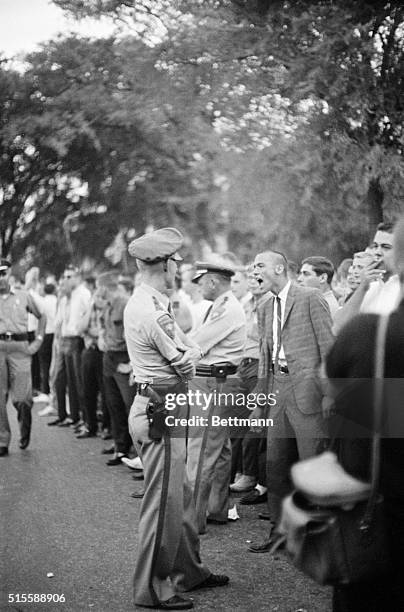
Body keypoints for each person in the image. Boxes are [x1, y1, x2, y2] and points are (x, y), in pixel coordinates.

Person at [124, 227, 229, 610]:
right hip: (161, 406)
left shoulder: (151, 302)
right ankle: (152, 589)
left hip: (165, 404)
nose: (178, 270)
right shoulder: (151, 310)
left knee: (180, 495)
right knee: (163, 505)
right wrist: (194, 351)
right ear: (166, 265)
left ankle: (188, 571)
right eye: (175, 264)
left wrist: (190, 348)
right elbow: (184, 360)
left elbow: (185, 348)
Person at [326, 216, 404, 611]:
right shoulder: (376, 288)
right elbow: (338, 328)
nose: (375, 253)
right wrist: (360, 286)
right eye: (373, 246)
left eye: (385, 247)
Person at [248, 249, 334, 552]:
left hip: (309, 392)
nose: (253, 269)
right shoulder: (264, 307)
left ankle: (319, 538)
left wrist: (329, 394)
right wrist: (260, 402)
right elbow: (264, 360)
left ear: (280, 268)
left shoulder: (309, 297)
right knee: (275, 464)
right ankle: (280, 532)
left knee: (311, 464)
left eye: (259, 265)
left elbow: (328, 347)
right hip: (278, 390)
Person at [187, 262, 246, 534]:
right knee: (219, 449)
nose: (197, 287)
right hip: (216, 380)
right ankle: (216, 508)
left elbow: (198, 342)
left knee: (203, 451)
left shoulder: (226, 307)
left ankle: (193, 520)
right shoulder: (221, 305)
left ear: (212, 282)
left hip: (214, 382)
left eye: (200, 282)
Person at [0, 258, 46, 455]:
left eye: (3, 273)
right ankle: (2, 440)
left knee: (22, 399)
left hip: (20, 347)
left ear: (9, 274)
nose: (0, 278)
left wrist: (39, 340)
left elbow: (42, 316)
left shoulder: (23, 295)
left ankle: (24, 428)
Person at [96, 271, 135, 464]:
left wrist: (130, 363)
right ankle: (120, 447)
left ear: (104, 288)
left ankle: (135, 450)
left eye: (98, 288)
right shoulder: (109, 304)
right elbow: (103, 325)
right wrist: (102, 338)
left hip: (123, 357)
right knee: (113, 404)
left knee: (128, 404)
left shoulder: (125, 303)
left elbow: (134, 335)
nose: (97, 291)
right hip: (109, 357)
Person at [49, 266, 91, 427]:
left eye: (69, 276)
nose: (65, 280)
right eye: (64, 277)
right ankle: (74, 416)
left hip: (77, 339)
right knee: (70, 382)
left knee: (79, 382)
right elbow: (60, 321)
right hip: (65, 339)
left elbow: (87, 317)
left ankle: (84, 418)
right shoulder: (69, 296)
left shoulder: (83, 294)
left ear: (77, 277)